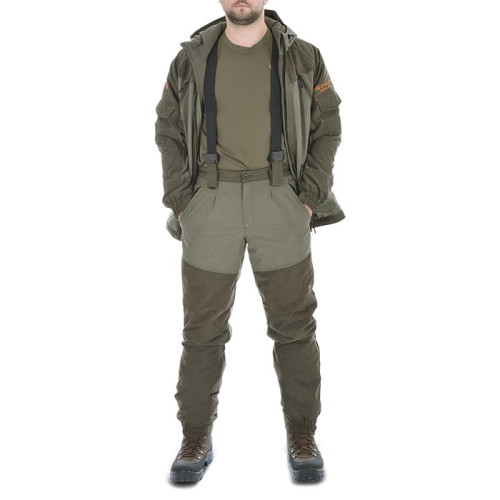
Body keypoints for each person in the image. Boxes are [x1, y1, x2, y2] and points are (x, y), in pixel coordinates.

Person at [155, 0, 344, 483]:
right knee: (202, 331)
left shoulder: (303, 56)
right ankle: (195, 436)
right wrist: (182, 201)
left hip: (280, 200)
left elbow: (328, 126)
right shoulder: (191, 58)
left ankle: (302, 435)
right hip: (210, 203)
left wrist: (308, 198)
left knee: (295, 327)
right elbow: (167, 128)